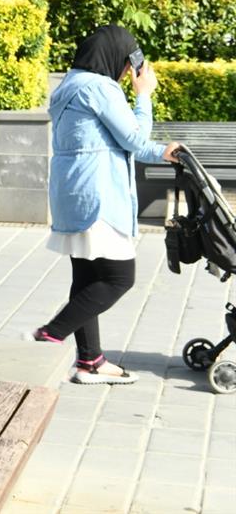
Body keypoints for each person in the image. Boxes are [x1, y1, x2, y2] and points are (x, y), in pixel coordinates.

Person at [30, 25, 179, 384]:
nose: (129, 72)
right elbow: (134, 137)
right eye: (129, 65)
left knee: (87, 279)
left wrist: (162, 152)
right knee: (117, 278)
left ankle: (90, 362)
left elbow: (130, 142)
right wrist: (144, 95)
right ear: (115, 57)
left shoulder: (68, 85)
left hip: (73, 195)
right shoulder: (100, 88)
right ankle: (52, 332)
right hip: (100, 196)